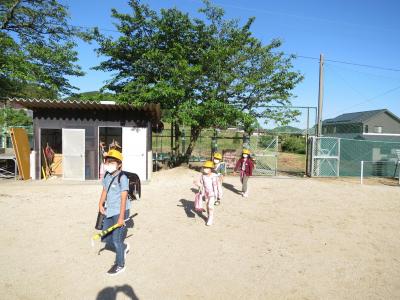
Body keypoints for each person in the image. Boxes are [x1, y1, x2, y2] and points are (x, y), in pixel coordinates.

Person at [98, 149, 131, 275]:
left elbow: (123, 198)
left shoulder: (123, 178)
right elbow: (105, 190)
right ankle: (123, 248)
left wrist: (121, 218)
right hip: (109, 210)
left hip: (121, 211)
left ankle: (120, 264)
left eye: (112, 162)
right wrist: (100, 203)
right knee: (105, 238)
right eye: (107, 161)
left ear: (119, 164)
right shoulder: (107, 175)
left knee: (116, 239)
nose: (109, 163)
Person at [194, 160, 223, 226]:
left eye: (207, 168)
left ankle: (210, 219)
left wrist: (219, 195)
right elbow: (202, 184)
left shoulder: (214, 177)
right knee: (207, 206)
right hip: (206, 194)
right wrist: (197, 184)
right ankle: (209, 216)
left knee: (210, 206)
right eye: (204, 168)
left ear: (211, 169)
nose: (205, 169)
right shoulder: (203, 176)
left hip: (212, 194)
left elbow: (218, 186)